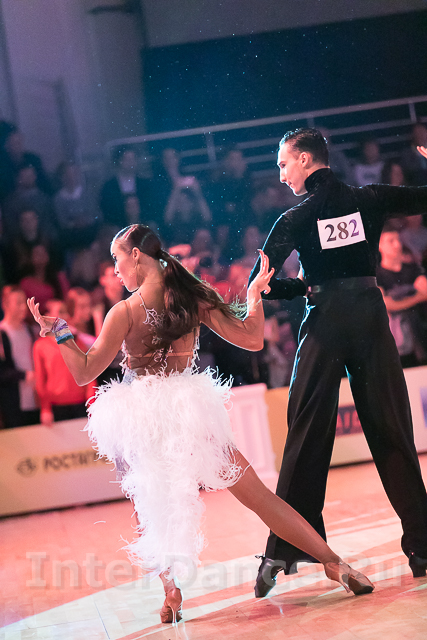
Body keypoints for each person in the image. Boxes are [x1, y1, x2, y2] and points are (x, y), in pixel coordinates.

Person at [27, 224, 373, 625]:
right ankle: (335, 564)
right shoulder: (193, 295)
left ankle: (172, 593)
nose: (116, 270)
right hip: (190, 410)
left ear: (136, 255)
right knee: (260, 497)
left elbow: (85, 372)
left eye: (117, 259)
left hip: (144, 418)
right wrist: (253, 296)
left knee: (150, 507)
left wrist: (61, 332)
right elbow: (253, 339)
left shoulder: (124, 311)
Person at [248, 128, 427, 597]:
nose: (281, 174)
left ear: (306, 160)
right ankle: (424, 548)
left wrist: (297, 286)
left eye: (284, 163)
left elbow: (260, 283)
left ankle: (282, 551)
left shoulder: (297, 216)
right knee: (393, 430)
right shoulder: (370, 198)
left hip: (326, 322)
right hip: (370, 318)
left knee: (305, 434)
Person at [377, 224, 427, 367]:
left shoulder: (414, 269)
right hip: (396, 343)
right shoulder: (377, 276)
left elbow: (425, 292)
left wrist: (398, 303)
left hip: (420, 337)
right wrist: (416, 298)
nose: (397, 245)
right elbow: (384, 305)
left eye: (398, 240)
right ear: (379, 245)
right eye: (391, 241)